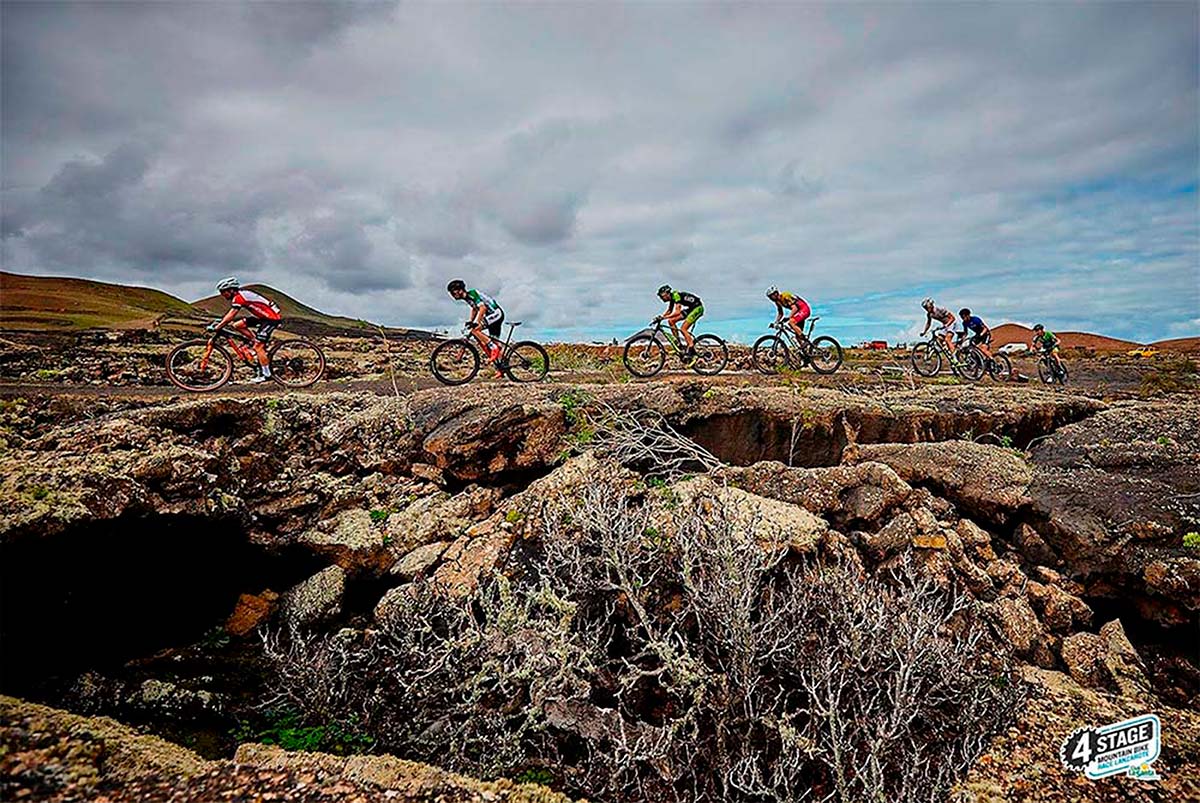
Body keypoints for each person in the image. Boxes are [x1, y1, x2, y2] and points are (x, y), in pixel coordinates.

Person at [212, 277, 281, 383]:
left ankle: (267, 375)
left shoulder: (239, 297)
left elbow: (231, 314)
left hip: (270, 319)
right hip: (263, 317)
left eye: (223, 292)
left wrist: (219, 326)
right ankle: (255, 340)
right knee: (237, 325)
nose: (222, 294)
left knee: (258, 347)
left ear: (231, 290)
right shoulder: (240, 295)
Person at [447, 279, 505, 375]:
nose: (452, 295)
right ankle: (502, 369)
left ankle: (493, 348)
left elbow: (483, 308)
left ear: (460, 290)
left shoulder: (472, 293)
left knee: (475, 330)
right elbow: (474, 309)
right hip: (493, 316)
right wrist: (471, 321)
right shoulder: (467, 298)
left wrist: (477, 322)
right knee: (496, 343)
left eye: (453, 292)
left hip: (496, 314)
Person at [656, 284, 703, 359]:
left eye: (662, 296)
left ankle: (691, 349)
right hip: (691, 308)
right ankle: (678, 344)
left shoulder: (676, 296)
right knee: (671, 321)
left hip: (697, 308)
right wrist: (661, 317)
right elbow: (669, 311)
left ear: (667, 294)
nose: (661, 298)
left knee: (683, 329)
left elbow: (677, 312)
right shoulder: (672, 298)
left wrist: (664, 318)